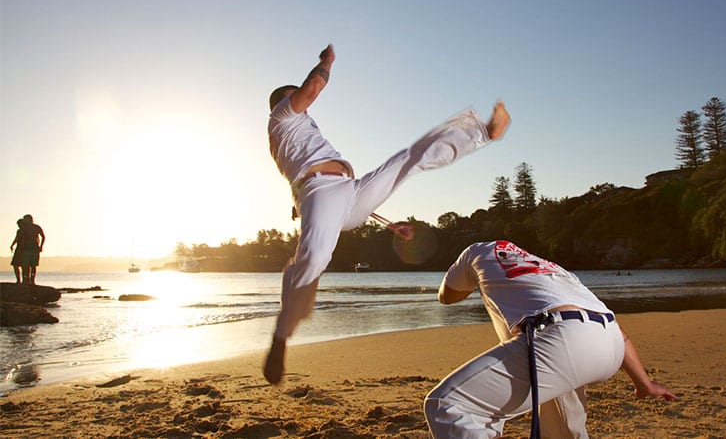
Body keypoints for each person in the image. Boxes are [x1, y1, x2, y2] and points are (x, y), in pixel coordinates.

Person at [263, 44, 511, 384]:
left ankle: (482, 131)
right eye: (297, 101)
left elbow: (315, 187)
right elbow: (312, 89)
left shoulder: (296, 134)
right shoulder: (282, 117)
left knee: (407, 159)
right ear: (281, 103)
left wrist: (388, 223)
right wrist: (327, 61)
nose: (306, 109)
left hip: (346, 193)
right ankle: (280, 338)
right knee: (313, 259)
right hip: (320, 193)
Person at [424, 240, 676, 438]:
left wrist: (470, 277)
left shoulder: (476, 251)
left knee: (448, 405)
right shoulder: (554, 270)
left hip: (561, 338)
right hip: (609, 342)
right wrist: (644, 383)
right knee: (562, 427)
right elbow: (620, 335)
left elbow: (447, 297)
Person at [19, 214, 45, 285]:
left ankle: (31, 280)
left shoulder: (36, 227)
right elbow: (20, 238)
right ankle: (26, 280)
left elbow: (43, 236)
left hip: (33, 248)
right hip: (26, 249)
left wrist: (41, 246)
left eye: (25, 219)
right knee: (26, 266)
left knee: (32, 265)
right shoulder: (25, 228)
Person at [10, 219, 26, 284]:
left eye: (19, 225)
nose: (18, 226)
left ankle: (21, 280)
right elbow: (17, 238)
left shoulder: (22, 231)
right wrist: (12, 245)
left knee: (20, 265)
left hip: (21, 249)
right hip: (20, 249)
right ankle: (20, 280)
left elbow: (17, 238)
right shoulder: (20, 231)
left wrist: (12, 245)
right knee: (18, 265)